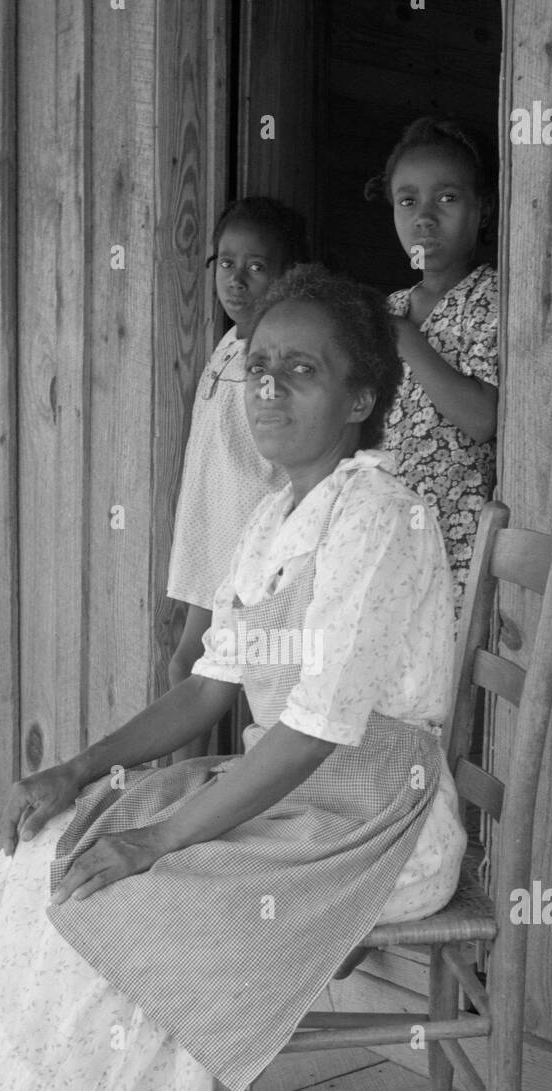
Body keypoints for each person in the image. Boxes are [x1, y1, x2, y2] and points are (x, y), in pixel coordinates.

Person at [0, 265, 466, 1091]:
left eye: (300, 370)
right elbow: (207, 690)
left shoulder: (378, 518)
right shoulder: (276, 516)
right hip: (296, 792)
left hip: (382, 819)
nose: (268, 389)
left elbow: (319, 729)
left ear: (361, 397)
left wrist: (161, 842)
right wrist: (79, 769)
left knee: (141, 883)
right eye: (259, 367)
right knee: (64, 838)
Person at [166, 197, 308, 757]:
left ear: (287, 275)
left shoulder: (280, 351)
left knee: (260, 674)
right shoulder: (228, 344)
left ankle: (233, 800)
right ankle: (182, 789)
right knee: (190, 663)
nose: (237, 280)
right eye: (226, 264)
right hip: (208, 533)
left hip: (252, 541)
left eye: (256, 267)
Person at [369, 117, 499, 612]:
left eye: (446, 198)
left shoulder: (489, 298)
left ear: (482, 209)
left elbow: (482, 419)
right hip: (383, 545)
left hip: (455, 550)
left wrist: (406, 340)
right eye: (408, 201)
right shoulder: (385, 310)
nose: (424, 217)